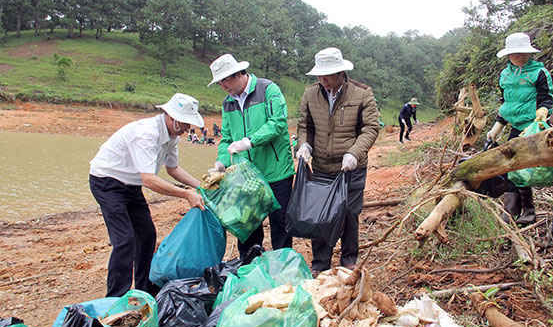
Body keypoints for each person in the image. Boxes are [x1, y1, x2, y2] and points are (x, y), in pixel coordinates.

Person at [89, 93, 206, 297]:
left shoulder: (171, 136)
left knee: (147, 235)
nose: (188, 129)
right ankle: (116, 297)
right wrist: (186, 194)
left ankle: (144, 289)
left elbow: (173, 169)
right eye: (185, 123)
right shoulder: (147, 134)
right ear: (171, 117)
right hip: (107, 181)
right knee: (124, 240)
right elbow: (149, 180)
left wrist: (202, 186)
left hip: (131, 185)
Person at [296, 47, 380, 274]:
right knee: (321, 215)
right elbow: (305, 126)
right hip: (322, 166)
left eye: (327, 75)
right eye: (319, 76)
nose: (322, 80)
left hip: (351, 167)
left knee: (350, 214)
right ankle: (320, 263)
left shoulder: (362, 93)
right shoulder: (310, 94)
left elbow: (371, 128)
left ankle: (349, 260)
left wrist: (354, 153)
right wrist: (304, 144)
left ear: (340, 72)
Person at [208, 53, 295, 256]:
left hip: (276, 170)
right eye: (220, 82)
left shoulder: (268, 90)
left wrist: (250, 141)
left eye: (225, 81)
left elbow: (278, 122)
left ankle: (283, 265)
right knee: (248, 224)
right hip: (247, 174)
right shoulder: (227, 103)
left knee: (280, 223)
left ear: (238, 74)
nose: (223, 86)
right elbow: (227, 137)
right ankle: (250, 267)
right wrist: (221, 160)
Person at [486, 32, 553, 225]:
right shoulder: (505, 75)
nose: (519, 56)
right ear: (508, 55)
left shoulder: (539, 73)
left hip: (532, 126)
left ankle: (528, 210)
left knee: (521, 168)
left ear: (529, 53)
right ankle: (512, 208)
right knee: (510, 166)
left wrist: (543, 110)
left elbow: (546, 97)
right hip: (515, 127)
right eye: (515, 53)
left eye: (522, 53)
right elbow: (506, 104)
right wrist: (496, 128)